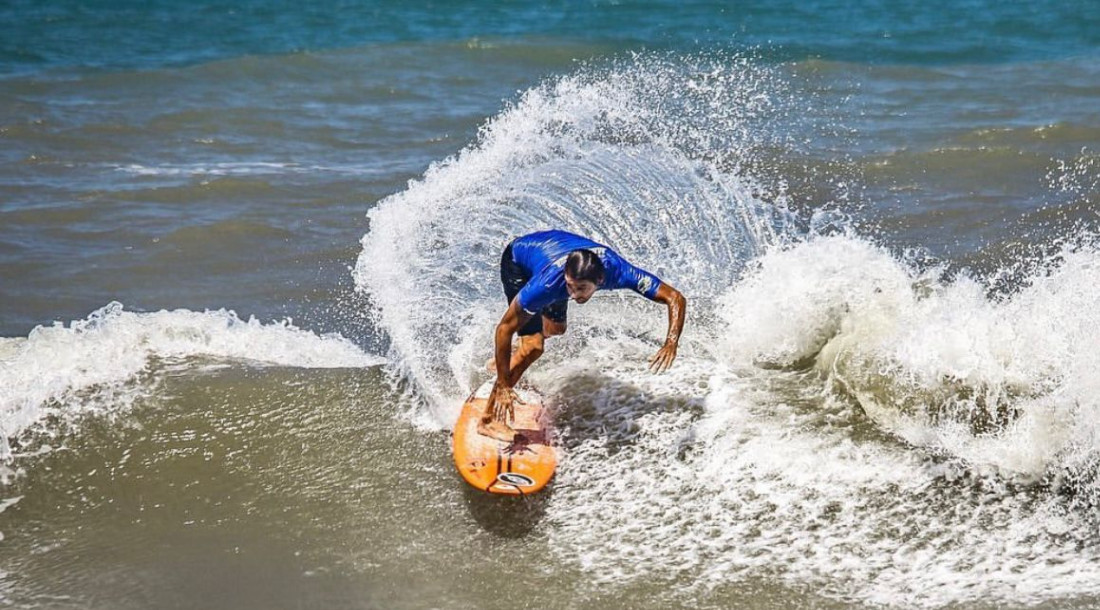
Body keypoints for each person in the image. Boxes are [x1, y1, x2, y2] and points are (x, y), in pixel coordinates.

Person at [479, 229, 687, 441]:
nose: (574, 295)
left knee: (556, 328)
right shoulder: (548, 285)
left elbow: (675, 298)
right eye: (570, 287)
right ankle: (489, 420)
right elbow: (503, 329)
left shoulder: (620, 272)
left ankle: (512, 354)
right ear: (565, 277)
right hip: (518, 261)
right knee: (534, 346)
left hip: (553, 257)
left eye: (581, 289)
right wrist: (504, 384)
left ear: (600, 280)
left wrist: (671, 342)